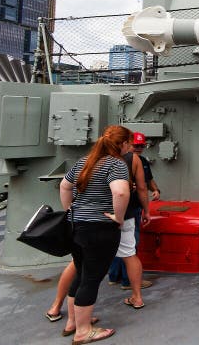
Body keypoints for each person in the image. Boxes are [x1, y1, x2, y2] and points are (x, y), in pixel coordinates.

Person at [59, 125, 131, 344]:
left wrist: (70, 210)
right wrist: (118, 217)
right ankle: (83, 331)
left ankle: (73, 322)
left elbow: (64, 186)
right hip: (99, 229)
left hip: (77, 226)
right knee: (91, 278)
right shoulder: (116, 164)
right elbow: (120, 191)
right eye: (129, 142)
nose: (131, 146)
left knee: (81, 273)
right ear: (122, 144)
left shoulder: (84, 161)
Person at [108, 132, 159, 291]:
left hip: (114, 208)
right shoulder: (131, 160)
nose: (138, 148)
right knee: (130, 245)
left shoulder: (110, 160)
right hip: (129, 208)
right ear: (127, 144)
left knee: (117, 243)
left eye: (141, 146)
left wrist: (156, 189)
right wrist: (147, 210)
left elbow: (147, 181)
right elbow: (140, 187)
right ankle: (127, 280)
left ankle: (114, 276)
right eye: (135, 145)